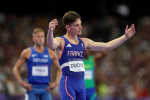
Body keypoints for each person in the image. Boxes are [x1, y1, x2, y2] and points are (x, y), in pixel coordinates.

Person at [46, 11, 135, 100]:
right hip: (67, 83)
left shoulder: (85, 42)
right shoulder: (61, 41)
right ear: (68, 27)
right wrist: (50, 31)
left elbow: (107, 46)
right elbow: (51, 44)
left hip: (81, 84)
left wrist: (125, 37)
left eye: (80, 24)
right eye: (76, 25)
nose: (80, 27)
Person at [13, 28, 62, 100]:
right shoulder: (27, 52)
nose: (40, 38)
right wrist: (21, 83)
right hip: (31, 88)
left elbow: (60, 69)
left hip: (46, 88)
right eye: (38, 36)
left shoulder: (51, 53)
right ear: (33, 39)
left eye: (42, 36)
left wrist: (56, 83)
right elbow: (15, 68)